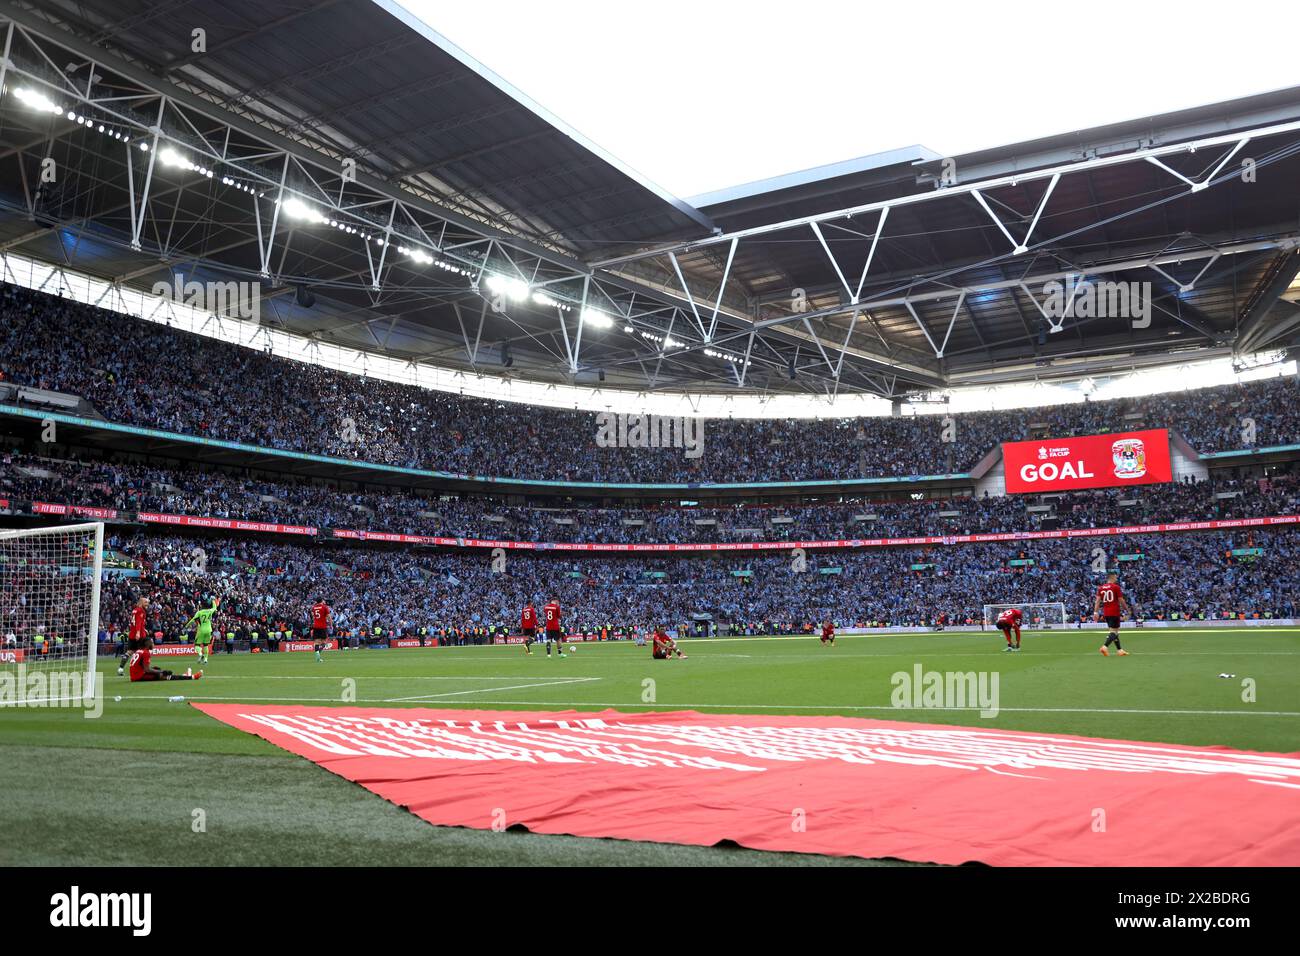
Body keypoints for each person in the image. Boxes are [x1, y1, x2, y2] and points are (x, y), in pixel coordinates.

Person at [129, 637, 202, 682]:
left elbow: (143, 667)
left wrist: (159, 671)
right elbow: (147, 669)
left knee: (157, 669)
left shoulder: (139, 651)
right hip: (138, 677)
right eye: (152, 642)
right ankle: (192, 677)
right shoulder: (146, 653)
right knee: (162, 675)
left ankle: (184, 675)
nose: (153, 644)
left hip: (135, 675)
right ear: (147, 644)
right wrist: (162, 671)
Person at [1094, 572, 1131, 656]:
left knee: (1113, 631)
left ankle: (1120, 650)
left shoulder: (1101, 588)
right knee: (1115, 631)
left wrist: (1095, 612)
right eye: (1116, 578)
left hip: (1106, 612)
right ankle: (1104, 646)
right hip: (1114, 611)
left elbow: (1097, 601)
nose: (1116, 579)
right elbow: (1121, 600)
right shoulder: (1116, 587)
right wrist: (1127, 610)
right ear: (1112, 578)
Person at [184, 596, 220, 666]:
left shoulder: (199, 612)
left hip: (202, 630)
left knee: (197, 645)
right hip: (209, 630)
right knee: (206, 645)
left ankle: (200, 654)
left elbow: (192, 620)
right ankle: (206, 660)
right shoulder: (210, 611)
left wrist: (186, 626)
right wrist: (213, 600)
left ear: (202, 606)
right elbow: (215, 608)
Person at [118, 596, 149, 676]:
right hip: (139, 635)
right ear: (141, 603)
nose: (147, 604)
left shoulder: (135, 610)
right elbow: (138, 622)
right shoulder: (141, 611)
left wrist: (143, 629)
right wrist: (138, 632)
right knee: (143, 652)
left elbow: (134, 622)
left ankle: (120, 668)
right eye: (145, 602)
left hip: (132, 634)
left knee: (129, 652)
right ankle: (143, 670)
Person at [310, 597, 331, 662]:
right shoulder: (324, 607)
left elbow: (313, 616)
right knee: (324, 642)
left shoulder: (313, 608)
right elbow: (329, 617)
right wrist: (331, 624)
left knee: (316, 642)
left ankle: (317, 655)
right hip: (322, 627)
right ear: (322, 601)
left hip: (316, 626)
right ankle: (318, 654)